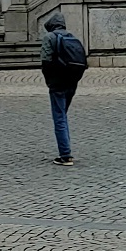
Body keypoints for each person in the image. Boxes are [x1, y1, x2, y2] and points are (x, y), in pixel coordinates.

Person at [39, 11, 88, 165]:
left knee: (59, 117)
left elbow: (45, 62)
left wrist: (50, 81)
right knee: (62, 115)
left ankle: (65, 155)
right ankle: (65, 149)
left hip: (57, 83)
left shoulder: (50, 37)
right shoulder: (72, 37)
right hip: (72, 81)